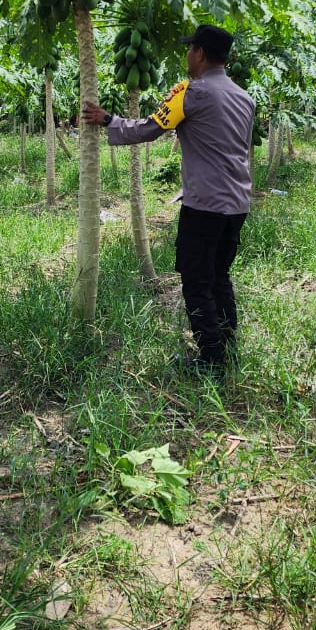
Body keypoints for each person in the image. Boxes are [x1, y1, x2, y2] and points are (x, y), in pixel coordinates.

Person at [83, 24, 255, 375]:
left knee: (195, 280)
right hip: (237, 203)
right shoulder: (244, 97)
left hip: (205, 204)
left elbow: (150, 128)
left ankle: (210, 360)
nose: (186, 55)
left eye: (190, 48)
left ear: (201, 53)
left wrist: (109, 120)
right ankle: (227, 348)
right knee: (219, 275)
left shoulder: (194, 92)